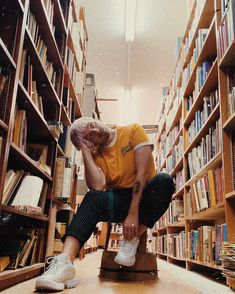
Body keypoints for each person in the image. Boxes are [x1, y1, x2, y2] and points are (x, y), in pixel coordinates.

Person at [35, 117, 175, 291]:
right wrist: (86, 152)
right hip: (120, 198)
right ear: (87, 143)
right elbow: (98, 186)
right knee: (92, 198)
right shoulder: (97, 155)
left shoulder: (133, 130)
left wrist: (133, 214)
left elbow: (143, 172)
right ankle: (64, 263)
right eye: (89, 135)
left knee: (165, 180)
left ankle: (131, 239)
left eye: (92, 125)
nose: (96, 130)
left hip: (146, 194)